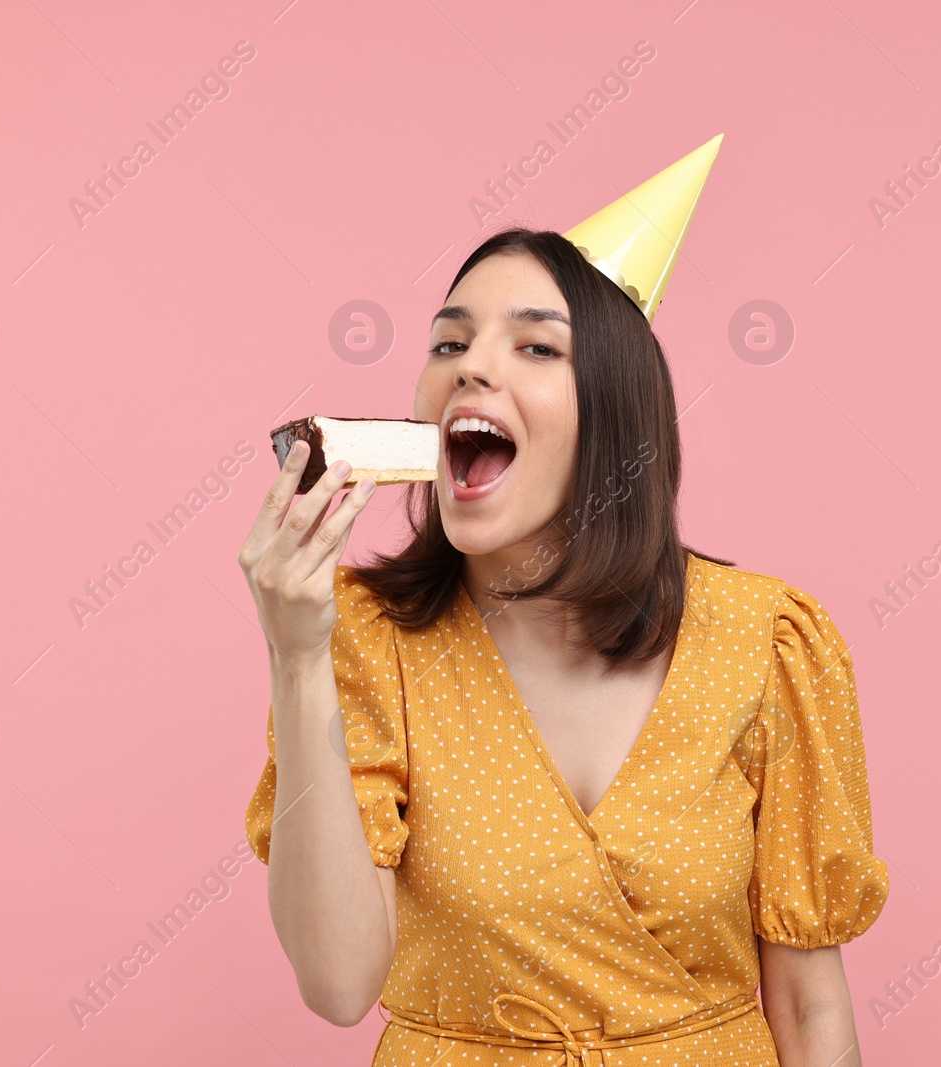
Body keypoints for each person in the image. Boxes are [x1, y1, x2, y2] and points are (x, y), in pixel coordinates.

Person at [240, 138, 889, 1066]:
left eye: (536, 346)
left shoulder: (766, 639)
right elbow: (340, 984)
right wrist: (296, 655)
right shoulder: (367, 640)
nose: (469, 368)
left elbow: (811, 1002)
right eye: (449, 342)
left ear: (615, 414)